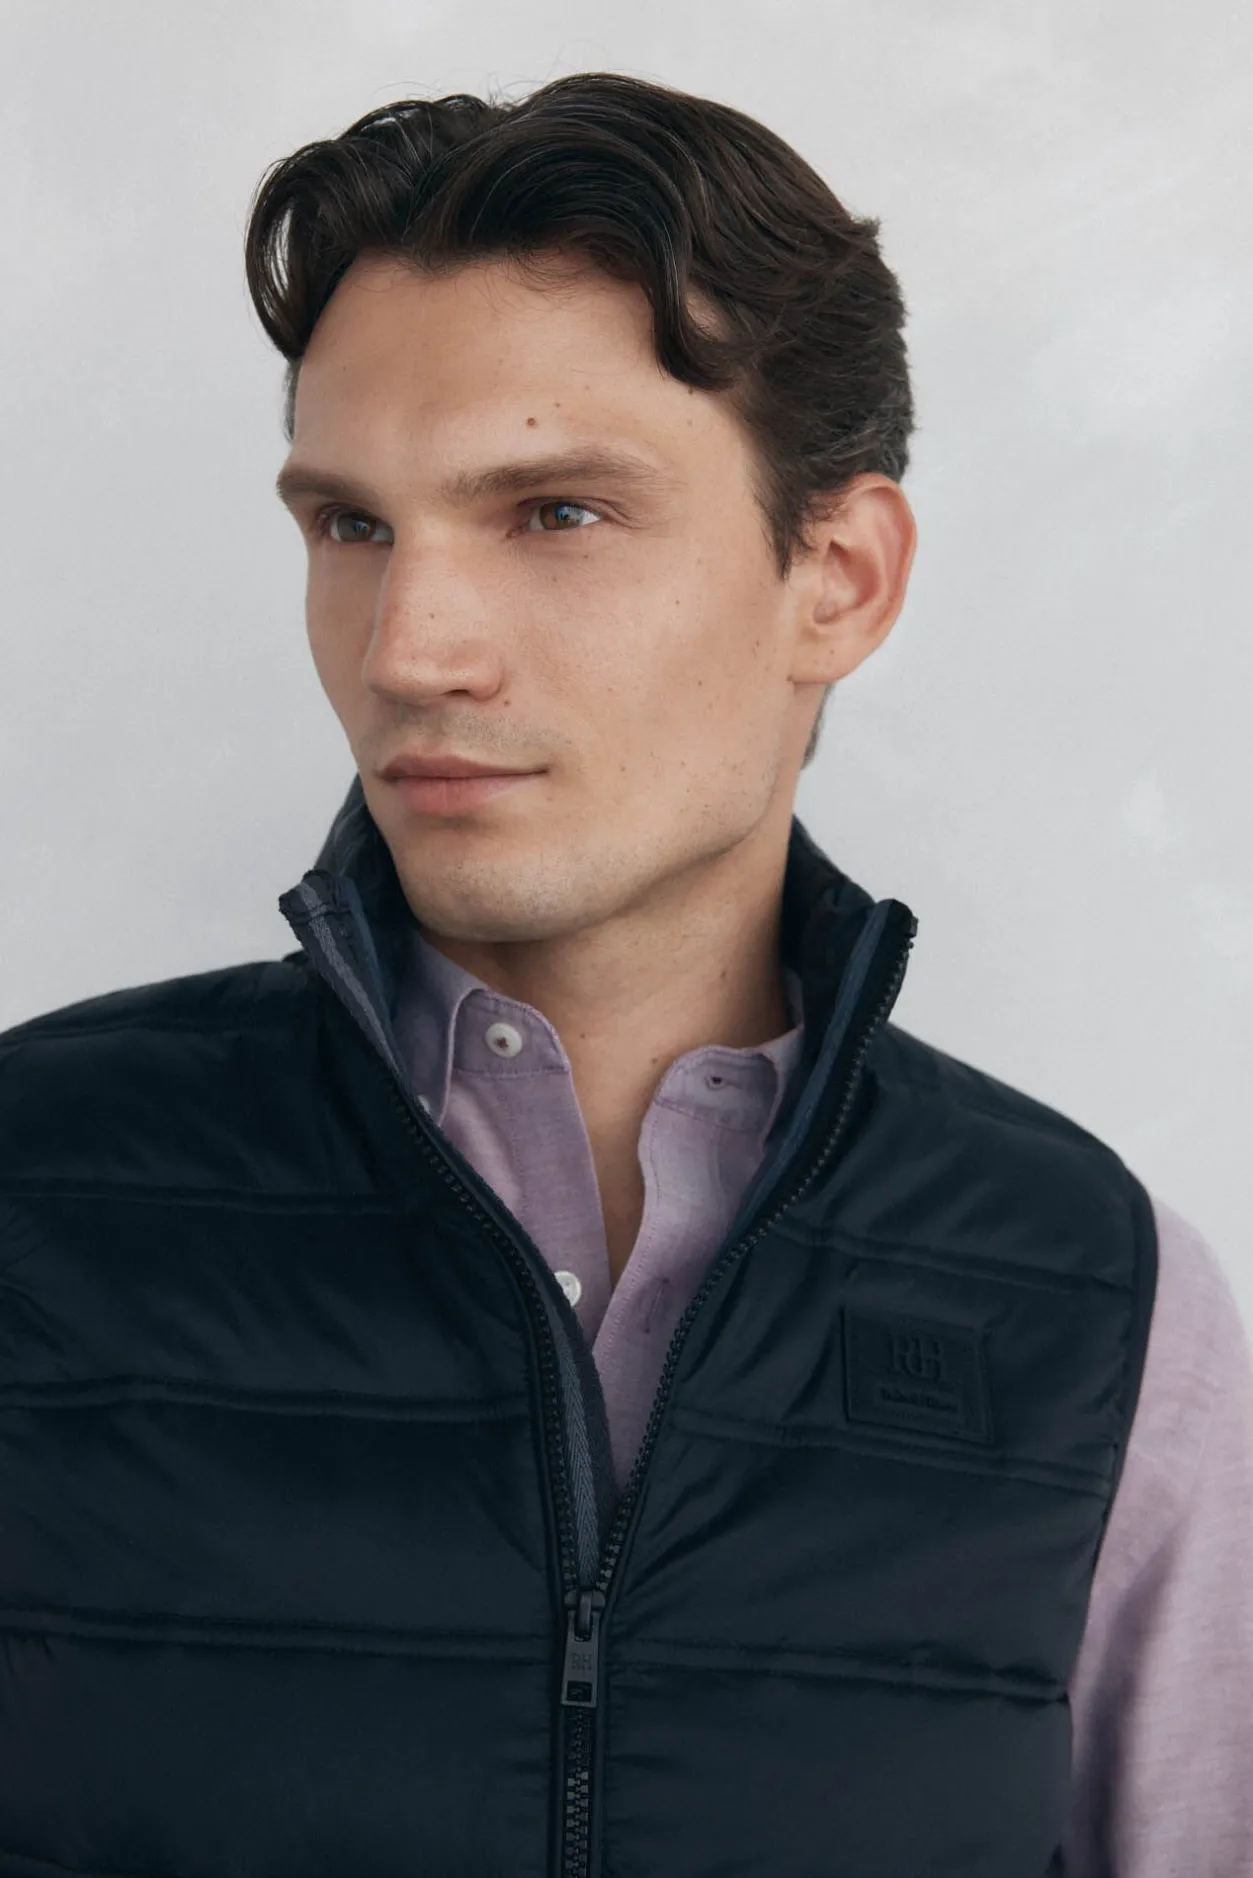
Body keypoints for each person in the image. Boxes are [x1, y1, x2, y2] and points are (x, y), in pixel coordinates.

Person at [1, 69, 1249, 1878]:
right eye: (351, 525)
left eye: (556, 513)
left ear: (838, 577)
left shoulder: (1104, 1301)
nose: (408, 647)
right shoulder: (34, 1195)